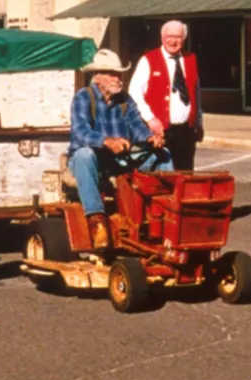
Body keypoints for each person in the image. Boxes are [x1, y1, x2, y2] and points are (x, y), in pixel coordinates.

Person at [68, 49, 173, 248]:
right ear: (97, 76)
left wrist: (150, 138)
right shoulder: (83, 98)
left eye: (119, 73)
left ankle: (166, 211)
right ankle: (96, 220)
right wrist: (107, 141)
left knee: (163, 155)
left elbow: (137, 125)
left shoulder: (125, 100)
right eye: (112, 73)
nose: (118, 78)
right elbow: (80, 132)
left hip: (119, 159)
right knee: (84, 155)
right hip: (93, 159)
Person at [128, 20, 204, 171]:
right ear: (162, 37)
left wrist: (199, 122)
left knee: (185, 174)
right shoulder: (148, 60)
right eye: (169, 36)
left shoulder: (191, 59)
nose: (173, 41)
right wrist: (150, 119)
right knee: (162, 176)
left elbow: (196, 93)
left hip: (186, 130)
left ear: (184, 39)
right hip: (160, 130)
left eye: (178, 37)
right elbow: (134, 92)